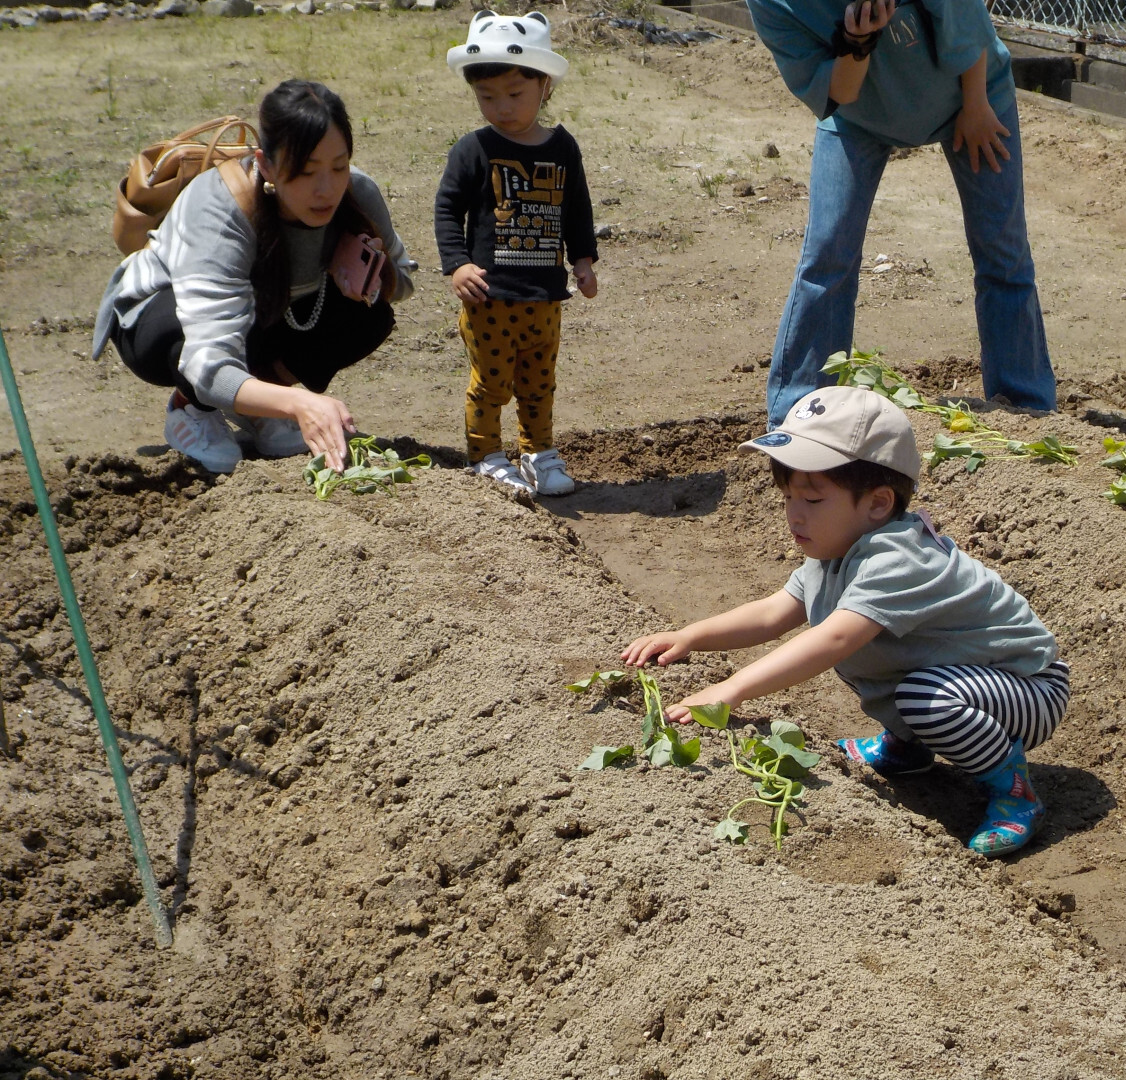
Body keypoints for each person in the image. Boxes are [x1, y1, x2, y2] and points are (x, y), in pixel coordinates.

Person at [621, 386, 1070, 856]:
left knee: (895, 676)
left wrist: (727, 692)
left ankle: (1014, 790)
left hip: (1028, 689)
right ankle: (908, 748)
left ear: (877, 503)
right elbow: (777, 612)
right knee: (873, 653)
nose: (794, 514)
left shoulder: (899, 558)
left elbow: (832, 639)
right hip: (970, 682)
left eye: (812, 500)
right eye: (787, 496)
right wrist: (690, 636)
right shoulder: (839, 547)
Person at [746, 0, 1054, 428]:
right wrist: (858, 41)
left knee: (1003, 249)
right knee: (827, 253)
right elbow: (840, 92)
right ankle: (799, 414)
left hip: (973, 96)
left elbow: (963, 16)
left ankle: (1028, 407)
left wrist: (977, 104)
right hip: (859, 117)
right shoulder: (771, 4)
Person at [92, 79, 416, 474]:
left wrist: (368, 272)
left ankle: (258, 407)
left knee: (368, 317)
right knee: (176, 338)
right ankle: (190, 407)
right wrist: (299, 405)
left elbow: (404, 280)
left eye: (339, 165)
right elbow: (208, 361)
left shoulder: (356, 193)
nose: (326, 188)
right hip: (159, 315)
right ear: (265, 165)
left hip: (259, 315)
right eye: (305, 171)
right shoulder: (220, 210)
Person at [435, 10, 598, 496]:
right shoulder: (473, 149)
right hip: (489, 297)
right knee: (491, 383)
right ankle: (485, 455)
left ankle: (538, 453)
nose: (501, 108)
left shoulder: (562, 148)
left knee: (539, 380)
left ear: (544, 85)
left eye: (514, 95)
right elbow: (447, 209)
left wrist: (583, 260)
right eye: (487, 97)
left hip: (544, 297)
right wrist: (457, 264)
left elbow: (577, 208)